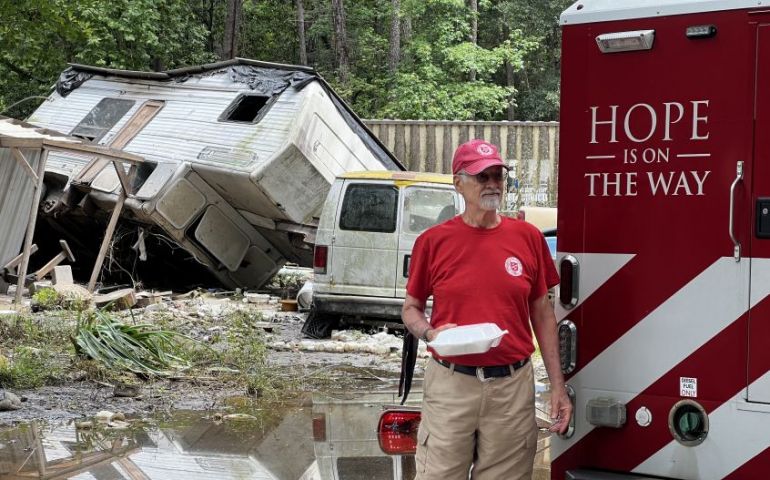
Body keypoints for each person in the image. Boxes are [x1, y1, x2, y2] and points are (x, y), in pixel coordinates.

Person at [402, 139, 572, 480]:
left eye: (498, 175)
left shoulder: (527, 238)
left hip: (511, 387)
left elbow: (542, 313)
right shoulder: (434, 242)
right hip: (451, 384)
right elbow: (411, 308)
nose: (493, 183)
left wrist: (557, 385)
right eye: (482, 177)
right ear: (459, 183)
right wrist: (430, 333)